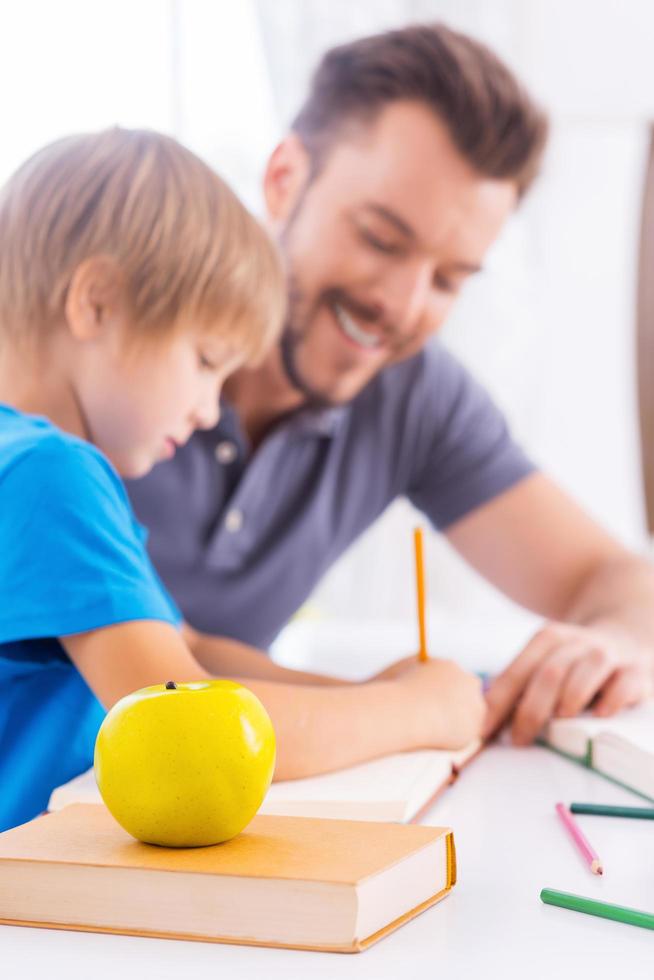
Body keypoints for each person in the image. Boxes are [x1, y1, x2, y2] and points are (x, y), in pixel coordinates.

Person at [127, 23, 654, 746]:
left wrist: (617, 642)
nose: (403, 307)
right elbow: (162, 678)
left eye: (448, 278)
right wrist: (414, 708)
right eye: (380, 238)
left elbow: (614, 580)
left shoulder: (414, 393)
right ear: (284, 180)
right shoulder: (102, 340)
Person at [0, 127, 486, 832]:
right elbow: (191, 721)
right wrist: (417, 712)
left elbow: (188, 644)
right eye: (205, 361)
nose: (208, 409)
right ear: (96, 301)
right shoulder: (53, 475)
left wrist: (370, 690)